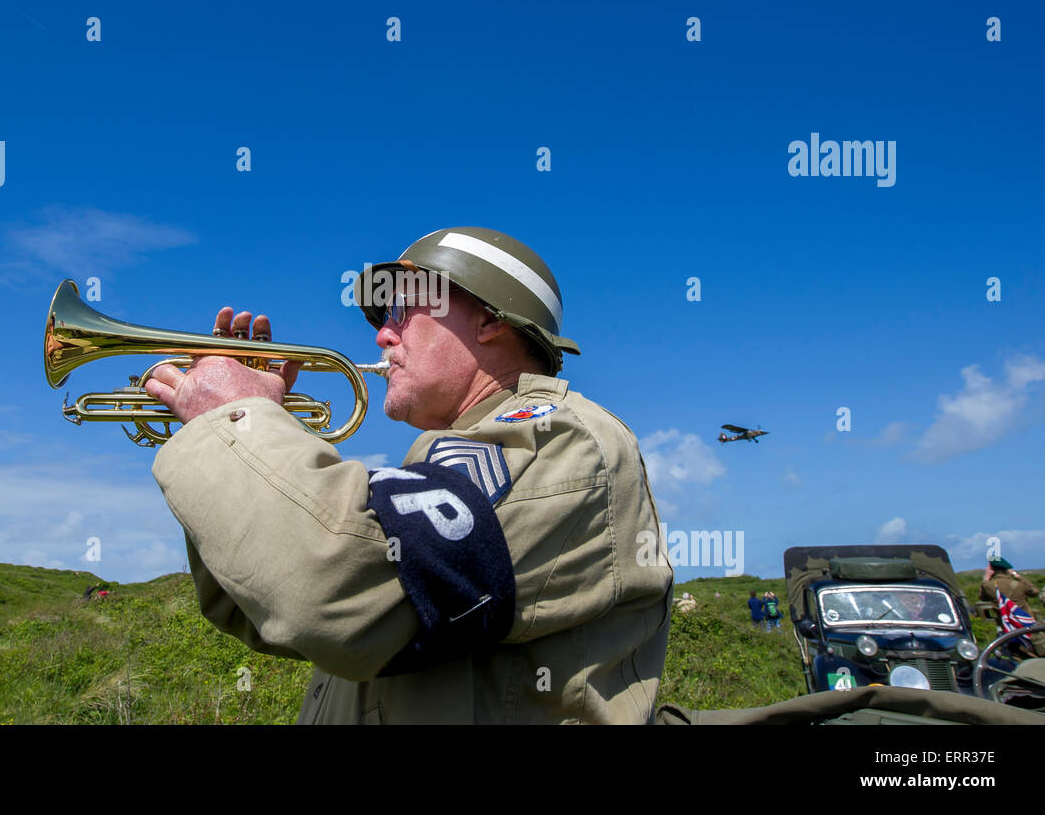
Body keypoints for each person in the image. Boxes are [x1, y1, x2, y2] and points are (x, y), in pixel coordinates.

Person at [144, 227, 673, 724]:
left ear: (489, 319)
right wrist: (227, 443)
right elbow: (257, 610)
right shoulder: (446, 462)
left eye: (401, 310)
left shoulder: (557, 437)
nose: (382, 337)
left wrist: (238, 421)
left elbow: (335, 593)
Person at [980, 557, 1044, 658]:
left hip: (1007, 629)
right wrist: (1016, 575)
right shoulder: (1018, 585)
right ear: (1007, 570)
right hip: (1027, 626)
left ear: (992, 570)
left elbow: (982, 597)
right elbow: (1034, 591)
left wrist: (985, 579)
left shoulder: (988, 586)